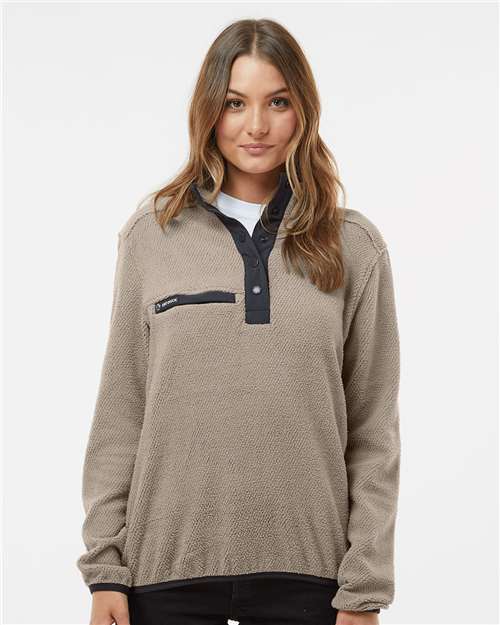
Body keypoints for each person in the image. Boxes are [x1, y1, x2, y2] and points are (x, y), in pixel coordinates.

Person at [76, 17, 401, 625]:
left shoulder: (354, 246)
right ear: (208, 110)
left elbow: (373, 432)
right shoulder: (152, 235)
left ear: (303, 110)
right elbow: (122, 410)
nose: (256, 125)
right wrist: (106, 571)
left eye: (277, 101)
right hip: (163, 577)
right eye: (234, 103)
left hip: (313, 582)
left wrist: (365, 588)